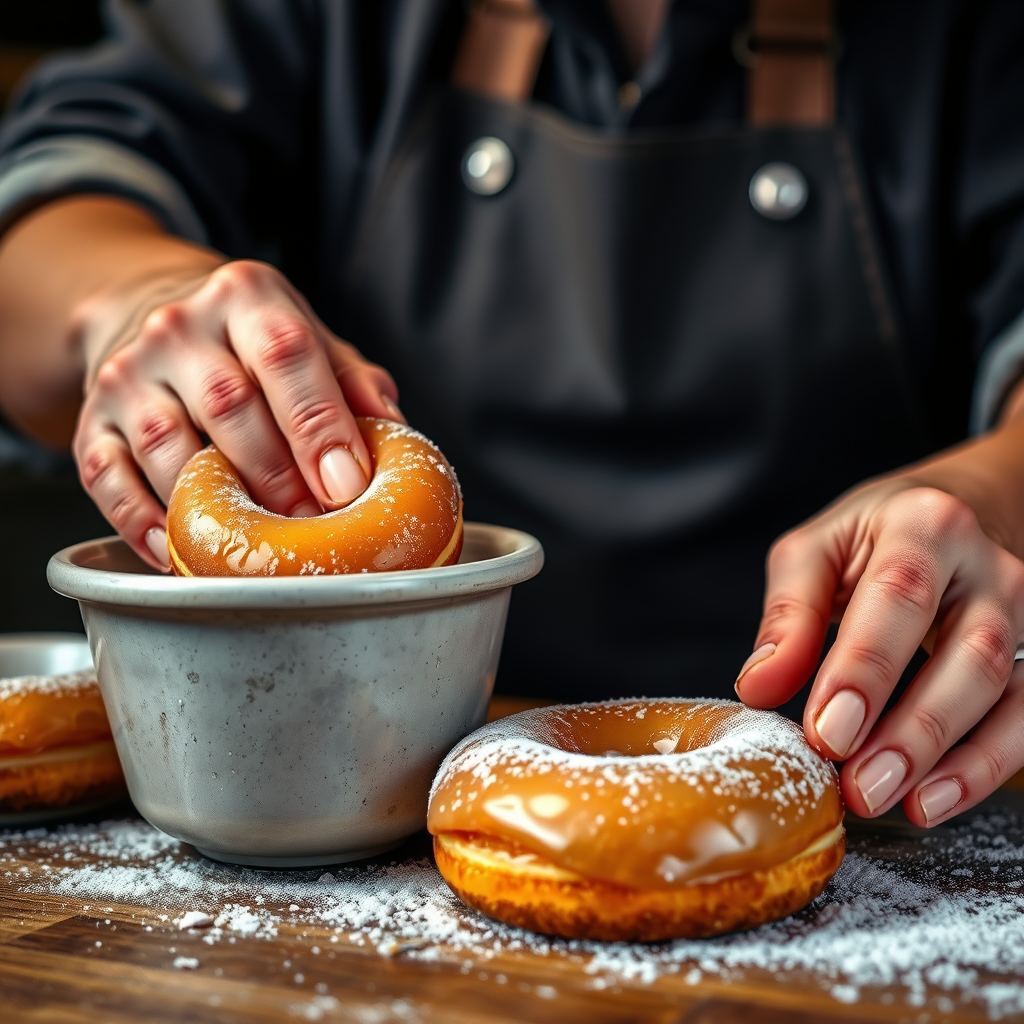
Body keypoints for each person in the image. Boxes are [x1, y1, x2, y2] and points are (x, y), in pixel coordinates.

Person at [1, 0, 1023, 831]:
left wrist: (991, 490)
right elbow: (55, 201)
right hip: (353, 768)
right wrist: (127, 301)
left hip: (866, 772)